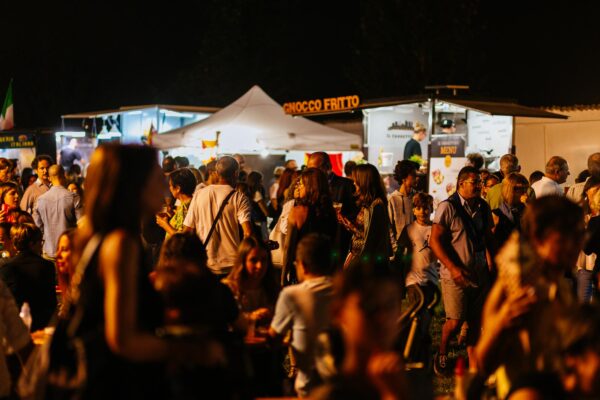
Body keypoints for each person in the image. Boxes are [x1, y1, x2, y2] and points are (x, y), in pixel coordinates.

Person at [68, 144, 226, 400]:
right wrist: (191, 351)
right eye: (156, 177)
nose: (164, 186)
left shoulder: (108, 237)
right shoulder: (121, 244)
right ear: (134, 185)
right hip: (111, 384)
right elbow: (122, 339)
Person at [473, 196, 585, 398]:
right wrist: (502, 322)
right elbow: (482, 363)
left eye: (580, 235)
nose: (577, 244)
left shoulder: (561, 283)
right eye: (566, 237)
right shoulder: (515, 288)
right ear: (539, 239)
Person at [152, 232, 246, 399]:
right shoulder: (217, 289)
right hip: (214, 375)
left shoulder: (156, 289)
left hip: (169, 375)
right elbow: (241, 326)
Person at [430, 166, 495, 376]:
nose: (479, 186)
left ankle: (474, 365)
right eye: (474, 182)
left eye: (480, 182)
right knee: (455, 321)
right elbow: (434, 241)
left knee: (476, 321)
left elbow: (486, 238)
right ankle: (442, 352)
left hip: (479, 272)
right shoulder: (447, 207)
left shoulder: (483, 207)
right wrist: (453, 267)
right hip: (454, 274)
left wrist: (490, 261)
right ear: (461, 184)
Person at [311, 264, 409, 400]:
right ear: (338, 313)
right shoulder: (330, 394)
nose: (382, 318)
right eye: (369, 306)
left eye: (390, 305)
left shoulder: (410, 383)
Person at [269, 233, 336, 397]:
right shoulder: (344, 292)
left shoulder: (292, 295)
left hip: (308, 388)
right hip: (341, 387)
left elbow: (273, 338)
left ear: (302, 266)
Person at [183, 156, 253, 277]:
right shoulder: (239, 198)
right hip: (231, 264)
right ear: (236, 173)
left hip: (205, 263)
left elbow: (188, 230)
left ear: (217, 172)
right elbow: (248, 233)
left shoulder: (199, 194)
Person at [396, 192, 439, 364]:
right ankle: (412, 351)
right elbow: (400, 253)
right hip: (413, 280)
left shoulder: (435, 229)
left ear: (431, 209)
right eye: (419, 208)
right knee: (417, 314)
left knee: (426, 317)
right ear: (414, 210)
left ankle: (422, 351)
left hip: (431, 279)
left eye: (426, 208)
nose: (422, 212)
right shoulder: (409, 229)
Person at [283, 168, 336, 285]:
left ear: (310, 187)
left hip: (303, 270)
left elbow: (289, 248)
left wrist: (283, 278)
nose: (298, 187)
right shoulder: (331, 211)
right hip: (326, 270)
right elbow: (336, 244)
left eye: (301, 184)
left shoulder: (297, 212)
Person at [0, 223, 57, 332]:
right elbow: (51, 302)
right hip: (42, 324)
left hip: (16, 325)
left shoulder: (6, 268)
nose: (41, 245)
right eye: (40, 242)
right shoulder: (47, 266)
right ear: (32, 244)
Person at [338, 164, 392, 269]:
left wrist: (361, 264)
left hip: (368, 263)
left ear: (363, 181)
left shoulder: (377, 205)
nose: (354, 183)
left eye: (356, 180)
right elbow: (364, 233)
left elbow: (371, 239)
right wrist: (349, 225)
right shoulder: (368, 204)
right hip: (359, 256)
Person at [307, 152, 356, 259]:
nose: (311, 173)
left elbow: (355, 214)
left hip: (339, 243)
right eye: (309, 170)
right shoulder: (308, 187)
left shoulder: (346, 185)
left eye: (314, 169)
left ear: (327, 167)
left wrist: (342, 218)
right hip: (316, 243)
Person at [223, 237, 279, 329]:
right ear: (242, 261)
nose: (259, 266)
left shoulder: (273, 288)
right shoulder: (228, 288)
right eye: (253, 260)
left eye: (264, 260)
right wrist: (252, 317)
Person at [33, 165, 83, 260]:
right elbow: (81, 225)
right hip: (68, 251)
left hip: (48, 250)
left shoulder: (40, 200)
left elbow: (38, 226)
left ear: (50, 178)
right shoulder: (74, 197)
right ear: (64, 175)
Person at [491, 173, 530, 249]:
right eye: (522, 189)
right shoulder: (497, 214)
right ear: (510, 190)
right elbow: (491, 241)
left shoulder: (526, 209)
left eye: (526, 189)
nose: (525, 193)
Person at [155, 168, 196, 239]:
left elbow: (183, 238)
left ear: (177, 188)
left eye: (170, 185)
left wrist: (165, 225)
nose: (169, 188)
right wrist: (172, 214)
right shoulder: (184, 203)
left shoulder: (188, 207)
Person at [388, 160, 419, 246]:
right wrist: (395, 247)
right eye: (413, 175)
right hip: (399, 249)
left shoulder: (417, 197)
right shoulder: (392, 199)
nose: (417, 178)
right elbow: (389, 227)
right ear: (404, 178)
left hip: (416, 247)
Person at [55, 229, 75, 316]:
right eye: (58, 249)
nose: (57, 255)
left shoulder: (84, 293)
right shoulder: (69, 289)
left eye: (64, 249)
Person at [246, 171, 270, 240]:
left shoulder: (248, 193)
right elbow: (266, 212)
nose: (261, 184)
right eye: (260, 181)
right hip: (260, 222)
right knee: (264, 241)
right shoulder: (257, 194)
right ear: (256, 182)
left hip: (252, 221)